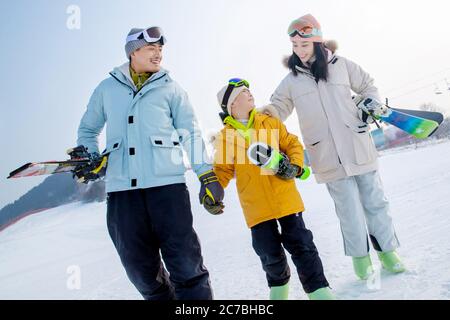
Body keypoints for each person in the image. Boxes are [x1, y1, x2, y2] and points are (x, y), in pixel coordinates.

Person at [73, 26, 224, 299]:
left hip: (167, 190)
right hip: (122, 194)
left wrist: (207, 175)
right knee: (140, 272)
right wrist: (91, 157)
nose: (158, 54)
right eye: (151, 49)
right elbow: (88, 130)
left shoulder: (171, 89)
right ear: (133, 52)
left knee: (187, 267)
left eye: (160, 50)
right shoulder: (107, 88)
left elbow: (191, 133)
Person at [260, 14, 406, 280]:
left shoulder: (342, 65)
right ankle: (362, 260)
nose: (299, 52)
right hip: (327, 155)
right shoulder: (291, 81)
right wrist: (263, 116)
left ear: (317, 42)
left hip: (357, 146)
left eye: (304, 45)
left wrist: (369, 103)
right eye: (294, 46)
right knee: (348, 211)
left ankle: (388, 252)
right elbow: (278, 107)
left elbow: (368, 86)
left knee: (376, 203)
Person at [211, 78, 335, 300]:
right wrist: (213, 191)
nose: (250, 94)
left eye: (250, 90)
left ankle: (319, 292)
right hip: (256, 208)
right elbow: (221, 170)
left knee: (302, 245)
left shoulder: (269, 122)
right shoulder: (225, 138)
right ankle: (279, 291)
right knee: (268, 253)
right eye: (243, 92)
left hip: (285, 199)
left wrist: (295, 165)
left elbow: (292, 143)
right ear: (231, 104)